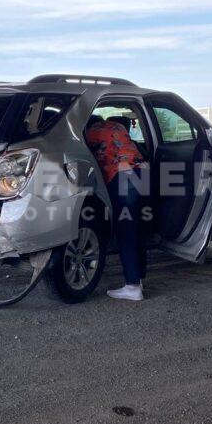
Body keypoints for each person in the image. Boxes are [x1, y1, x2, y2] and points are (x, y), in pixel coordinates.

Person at [85, 114, 149, 301]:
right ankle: (138, 278)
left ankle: (132, 287)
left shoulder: (91, 132)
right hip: (142, 172)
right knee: (138, 228)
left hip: (123, 176)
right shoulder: (118, 128)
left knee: (126, 230)